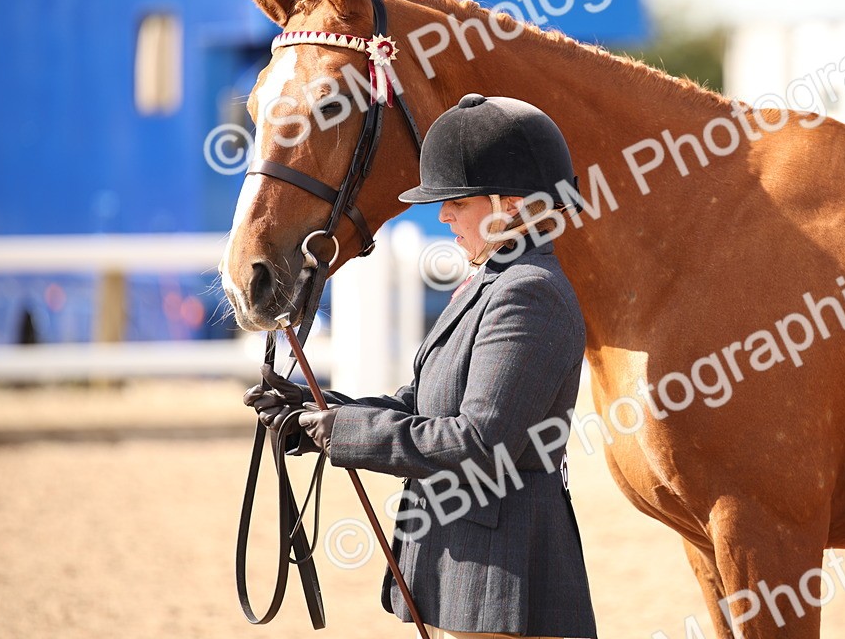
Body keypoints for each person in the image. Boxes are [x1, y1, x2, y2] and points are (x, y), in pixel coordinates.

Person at [244, 94, 596, 639]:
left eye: (458, 200)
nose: (444, 214)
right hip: (470, 559)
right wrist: (318, 412)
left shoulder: (530, 294)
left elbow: (479, 439)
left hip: (502, 565)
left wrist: (344, 433)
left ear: (509, 203)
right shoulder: (489, 283)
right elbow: (420, 404)